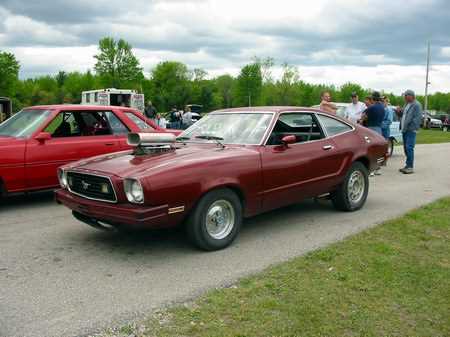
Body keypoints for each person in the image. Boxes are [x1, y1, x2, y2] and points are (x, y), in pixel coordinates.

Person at [398, 89, 422, 174]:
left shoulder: (417, 105)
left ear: (411, 96)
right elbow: (403, 115)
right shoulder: (406, 104)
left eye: (405, 95)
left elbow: (418, 119)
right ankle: (407, 165)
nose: (404, 97)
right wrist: (399, 112)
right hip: (405, 129)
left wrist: (412, 127)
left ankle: (410, 167)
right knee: (405, 148)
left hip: (411, 130)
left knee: (409, 147)